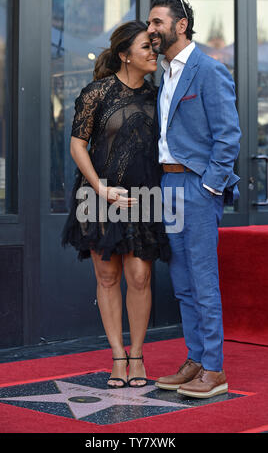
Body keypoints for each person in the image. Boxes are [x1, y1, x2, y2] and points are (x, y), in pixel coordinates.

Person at [62, 21, 170, 389]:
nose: (153, 52)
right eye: (146, 47)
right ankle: (117, 357)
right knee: (108, 278)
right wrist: (100, 188)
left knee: (139, 277)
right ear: (125, 54)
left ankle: (137, 354)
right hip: (98, 196)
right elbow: (78, 145)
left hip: (144, 198)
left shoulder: (158, 95)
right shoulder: (97, 92)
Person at [147, 0, 241, 398]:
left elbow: (229, 135)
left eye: (156, 22)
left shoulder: (208, 70)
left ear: (181, 24)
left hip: (196, 187)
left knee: (202, 280)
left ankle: (215, 370)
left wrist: (210, 185)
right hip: (169, 185)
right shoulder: (165, 73)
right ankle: (196, 359)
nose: (150, 30)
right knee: (182, 282)